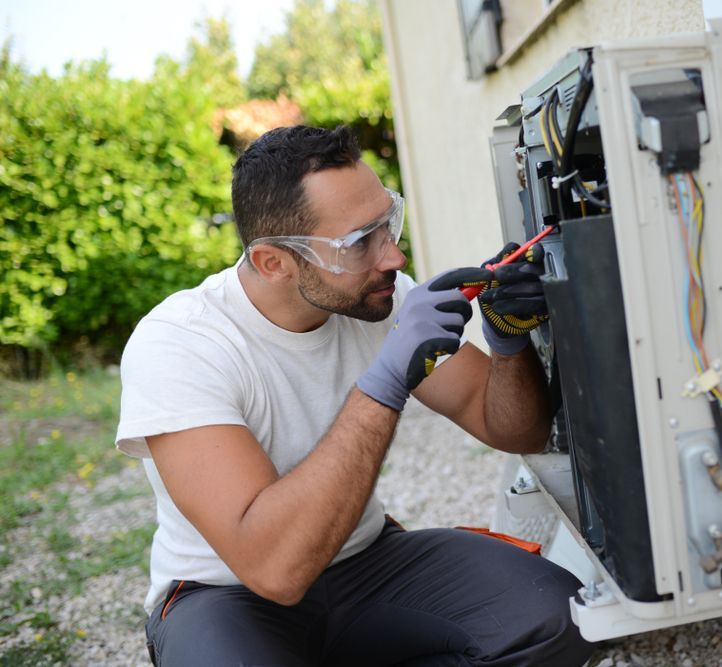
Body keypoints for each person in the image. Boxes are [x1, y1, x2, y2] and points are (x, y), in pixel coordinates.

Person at [115, 124, 595, 666]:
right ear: (274, 261)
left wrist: (508, 343)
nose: (392, 257)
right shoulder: (180, 345)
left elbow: (515, 430)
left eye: (388, 222)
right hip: (225, 595)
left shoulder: (379, 298)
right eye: (359, 242)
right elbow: (274, 569)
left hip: (368, 559)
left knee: (562, 617)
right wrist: (385, 382)